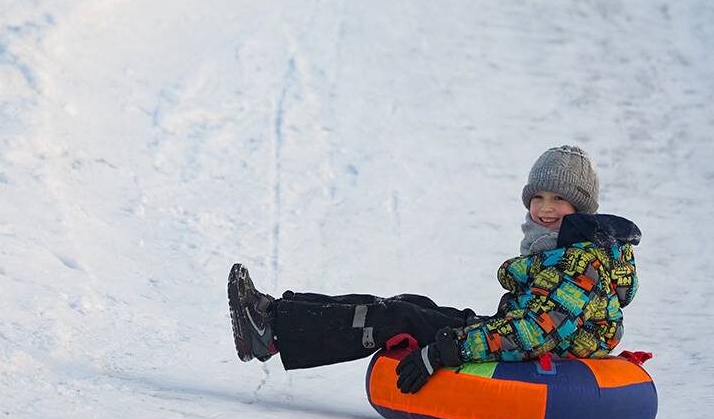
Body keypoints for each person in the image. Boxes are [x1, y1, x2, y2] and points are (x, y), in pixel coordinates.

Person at [227, 145, 641, 394]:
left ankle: (272, 331)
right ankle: (273, 316)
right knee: (409, 305)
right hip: (521, 339)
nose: (545, 209)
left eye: (559, 200)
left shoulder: (580, 260)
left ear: (582, 208)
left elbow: (534, 332)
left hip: (536, 358)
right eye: (539, 197)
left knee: (399, 318)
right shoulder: (558, 249)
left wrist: (447, 349)